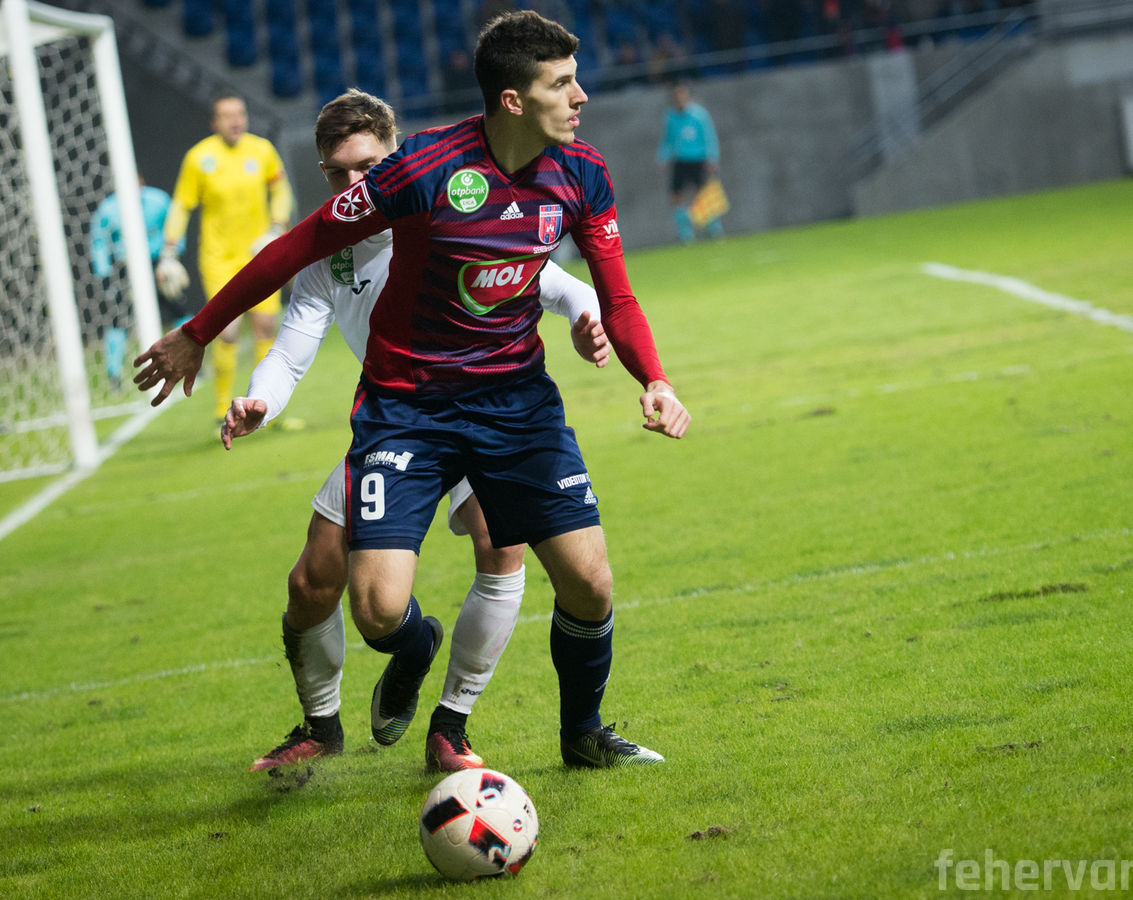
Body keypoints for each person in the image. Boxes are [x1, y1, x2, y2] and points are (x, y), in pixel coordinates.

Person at [135, 11, 691, 769]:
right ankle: (372, 687)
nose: (581, 95)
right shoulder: (423, 171)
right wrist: (198, 332)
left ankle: (573, 734)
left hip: (514, 404)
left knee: (588, 581)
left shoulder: (582, 171)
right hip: (408, 410)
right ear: (513, 99)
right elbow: (299, 246)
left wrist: (652, 377)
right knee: (375, 607)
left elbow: (611, 295)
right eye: (562, 82)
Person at [225, 89, 611, 774]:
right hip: (401, 419)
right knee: (313, 580)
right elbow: (289, 350)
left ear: (395, 155)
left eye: (367, 166)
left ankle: (451, 727)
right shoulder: (327, 254)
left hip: (482, 407)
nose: (354, 183)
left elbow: (560, 284)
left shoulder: (444, 211)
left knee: (500, 544)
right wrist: (261, 399)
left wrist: (589, 319)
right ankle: (332, 717)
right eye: (339, 172)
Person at [155, 93, 295, 425]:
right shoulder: (199, 157)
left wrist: (277, 227)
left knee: (265, 327)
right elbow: (181, 205)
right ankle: (222, 409)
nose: (235, 120)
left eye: (240, 114)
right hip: (218, 259)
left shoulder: (262, 150)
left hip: (259, 255)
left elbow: (281, 190)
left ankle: (267, 409)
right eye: (227, 115)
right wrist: (169, 250)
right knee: (228, 332)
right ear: (214, 122)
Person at [89, 176, 183, 392]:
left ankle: (192, 362)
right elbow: (99, 240)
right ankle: (114, 376)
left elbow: (175, 226)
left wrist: (172, 256)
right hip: (125, 268)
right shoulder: (108, 209)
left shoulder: (159, 200)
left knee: (179, 309)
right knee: (118, 320)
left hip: (158, 264)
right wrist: (103, 272)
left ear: (142, 182)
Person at [656, 82, 725, 242]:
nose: (679, 98)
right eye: (676, 96)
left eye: (682, 95)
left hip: (698, 159)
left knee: (704, 195)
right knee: (677, 196)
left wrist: (712, 157)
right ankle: (685, 235)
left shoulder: (699, 115)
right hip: (680, 160)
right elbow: (668, 140)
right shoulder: (670, 116)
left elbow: (709, 136)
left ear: (687, 96)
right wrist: (662, 158)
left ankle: (714, 230)